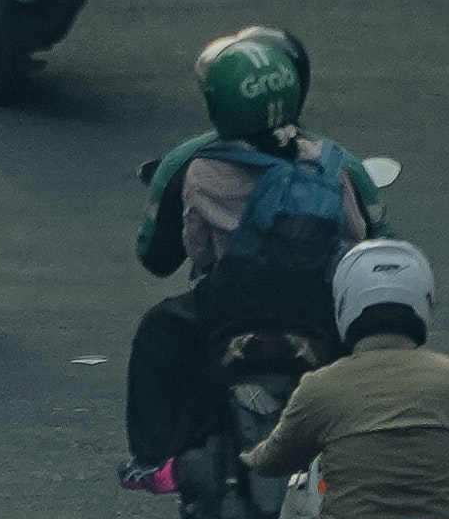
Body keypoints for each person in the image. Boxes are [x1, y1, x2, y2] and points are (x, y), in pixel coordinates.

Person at [122, 26, 390, 480]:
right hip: (320, 309)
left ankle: (155, 460)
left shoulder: (192, 165)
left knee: (159, 330)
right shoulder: (337, 163)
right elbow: (377, 245)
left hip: (230, 308)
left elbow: (164, 257)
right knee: (380, 352)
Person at [238, 240, 449, 519]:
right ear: (423, 302)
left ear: (343, 304)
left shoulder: (321, 385)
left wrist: (246, 458)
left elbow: (273, 461)